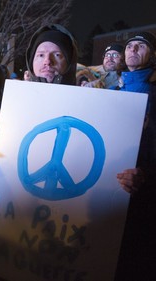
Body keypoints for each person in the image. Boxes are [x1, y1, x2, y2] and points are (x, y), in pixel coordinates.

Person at [0, 23, 78, 174]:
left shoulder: (85, 105)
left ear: (69, 62)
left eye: (57, 54)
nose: (47, 61)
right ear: (31, 61)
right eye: (40, 55)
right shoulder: (15, 102)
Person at [114, 31, 156, 281]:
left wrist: (147, 175)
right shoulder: (110, 90)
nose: (133, 50)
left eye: (141, 46)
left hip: (144, 190)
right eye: (130, 46)